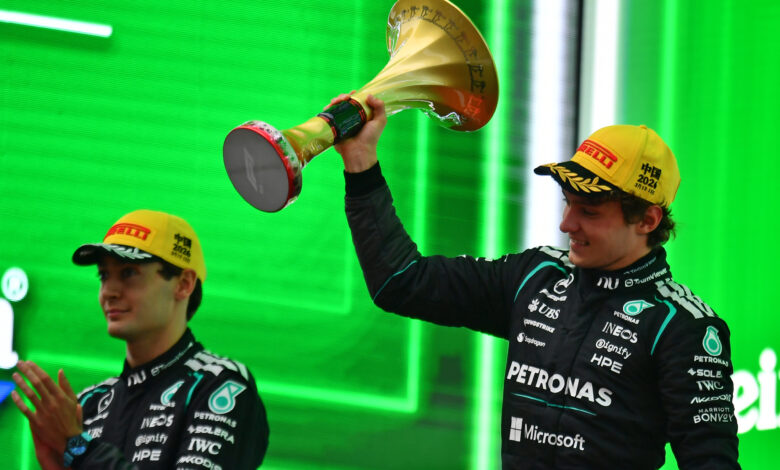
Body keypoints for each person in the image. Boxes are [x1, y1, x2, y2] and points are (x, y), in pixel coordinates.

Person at [333, 94, 740, 469]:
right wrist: (361, 161)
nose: (567, 223)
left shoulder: (683, 327)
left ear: (648, 220)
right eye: (568, 203)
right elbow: (402, 282)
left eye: (589, 211)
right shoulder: (535, 275)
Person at [11, 209, 269, 469]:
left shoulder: (221, 386)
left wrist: (77, 447)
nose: (109, 292)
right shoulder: (88, 404)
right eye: (103, 276)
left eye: (129, 273)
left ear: (184, 284)